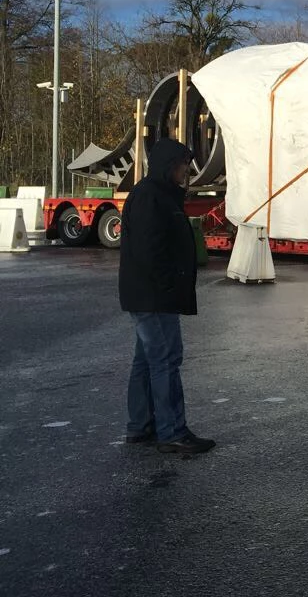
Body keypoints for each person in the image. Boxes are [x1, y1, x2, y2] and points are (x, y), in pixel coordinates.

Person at [119, 137, 215, 455]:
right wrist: (169, 287)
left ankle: (141, 426)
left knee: (147, 361)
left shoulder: (157, 194)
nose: (184, 173)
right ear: (168, 166)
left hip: (149, 293)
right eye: (182, 167)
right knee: (165, 361)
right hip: (154, 296)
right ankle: (171, 431)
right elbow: (150, 251)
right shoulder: (151, 196)